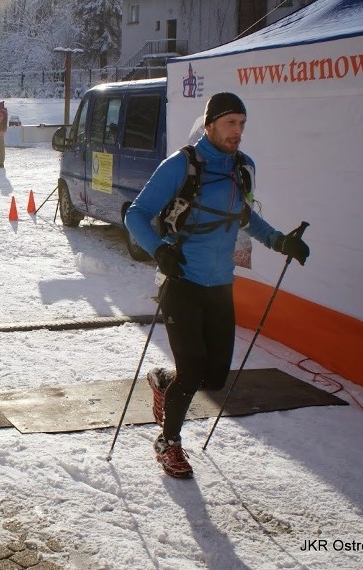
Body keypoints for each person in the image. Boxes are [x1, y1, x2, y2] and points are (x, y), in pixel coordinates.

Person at [124, 92, 310, 479]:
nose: (238, 131)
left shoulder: (244, 168)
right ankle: (168, 443)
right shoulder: (182, 164)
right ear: (210, 125)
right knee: (192, 370)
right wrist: (160, 250)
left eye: (242, 123)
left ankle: (162, 383)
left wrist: (280, 241)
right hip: (181, 280)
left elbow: (245, 217)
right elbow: (136, 214)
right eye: (230, 123)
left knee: (214, 377)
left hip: (220, 284)